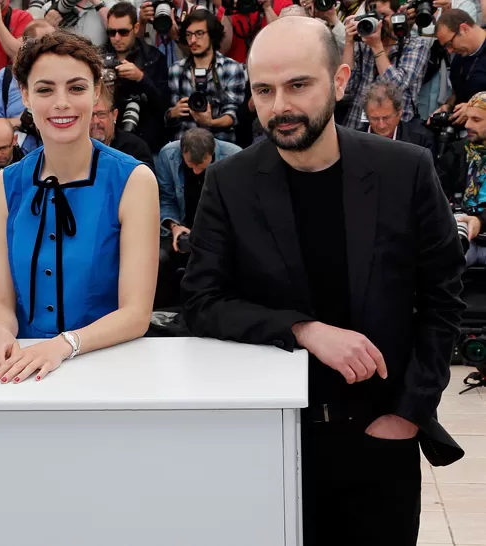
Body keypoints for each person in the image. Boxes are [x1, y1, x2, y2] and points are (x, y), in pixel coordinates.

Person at [180, 17, 465, 546]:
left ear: (338, 81)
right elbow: (201, 302)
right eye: (264, 89)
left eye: (298, 84)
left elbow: (443, 299)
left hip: (380, 437)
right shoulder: (229, 182)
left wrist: (408, 414)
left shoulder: (405, 170)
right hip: (271, 442)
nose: (280, 104)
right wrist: (304, 329)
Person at [0, 31, 159, 383]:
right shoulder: (5, 185)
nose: (61, 103)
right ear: (24, 95)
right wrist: (0, 338)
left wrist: (64, 345)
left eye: (76, 88)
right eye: (45, 90)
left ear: (95, 92)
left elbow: (136, 314)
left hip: (111, 371)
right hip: (23, 373)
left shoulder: (134, 181)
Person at [154, 128, 239, 308]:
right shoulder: (167, 155)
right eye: (191, 165)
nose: (196, 172)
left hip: (220, 232)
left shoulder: (235, 157)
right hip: (179, 228)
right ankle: (164, 314)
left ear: (213, 150)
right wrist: (174, 226)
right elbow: (165, 198)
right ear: (181, 152)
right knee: (158, 259)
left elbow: (238, 207)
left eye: (202, 166)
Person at [340, 0, 433, 130]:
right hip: (357, 124)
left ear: (398, 15)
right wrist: (349, 43)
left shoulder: (416, 45)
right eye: (373, 15)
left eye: (383, 15)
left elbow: (397, 86)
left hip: (393, 129)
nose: (379, 21)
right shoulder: (364, 43)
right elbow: (347, 86)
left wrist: (377, 47)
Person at [165, 10, 247, 144]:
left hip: (219, 143)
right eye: (189, 35)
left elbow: (233, 115)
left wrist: (210, 121)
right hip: (183, 143)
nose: (193, 40)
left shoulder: (232, 68)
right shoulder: (176, 70)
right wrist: (173, 113)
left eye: (199, 34)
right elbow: (169, 119)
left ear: (212, 35)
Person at [103, 2, 169, 151]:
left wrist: (141, 78)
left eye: (123, 32)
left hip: (147, 141)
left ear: (136, 28)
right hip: (109, 141)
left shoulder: (154, 57)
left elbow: (164, 107)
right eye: (111, 32)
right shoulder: (97, 57)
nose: (117, 38)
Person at [0, 19, 56, 152]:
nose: (51, 49)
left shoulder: (63, 75)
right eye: (45, 43)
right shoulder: (6, 76)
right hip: (18, 156)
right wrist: (22, 120)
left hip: (55, 152)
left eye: (54, 42)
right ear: (26, 45)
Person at [437, 92, 486, 265]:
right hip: (462, 235)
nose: (467, 125)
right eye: (468, 118)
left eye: (477, 120)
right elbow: (436, 194)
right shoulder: (456, 153)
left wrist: (480, 220)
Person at [433, 9, 486, 127]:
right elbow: (456, 93)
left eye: (449, 44)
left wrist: (474, 107)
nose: (450, 50)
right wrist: (448, 107)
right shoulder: (459, 56)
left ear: (464, 29)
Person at [90, 83, 155, 170]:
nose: (96, 121)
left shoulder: (135, 148)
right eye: (90, 115)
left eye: (102, 114)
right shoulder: (73, 149)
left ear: (114, 115)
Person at [363, 81, 436, 155]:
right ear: (367, 116)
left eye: (386, 118)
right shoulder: (353, 141)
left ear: (399, 113)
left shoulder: (421, 141)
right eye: (375, 119)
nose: (381, 125)